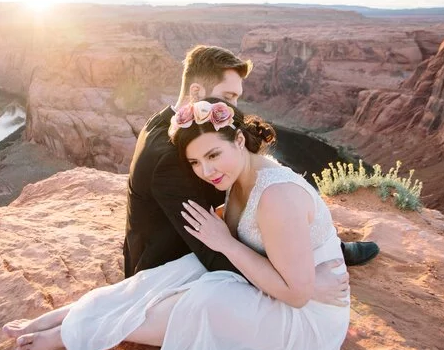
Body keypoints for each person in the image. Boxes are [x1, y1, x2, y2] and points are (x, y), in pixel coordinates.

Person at [4, 100, 350, 350]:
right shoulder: (239, 174)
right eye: (195, 162)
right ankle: (68, 316)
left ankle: (71, 334)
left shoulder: (277, 196)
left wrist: (226, 243)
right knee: (179, 271)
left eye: (213, 155)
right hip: (290, 285)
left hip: (304, 319)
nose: (206, 171)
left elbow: (298, 293)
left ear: (240, 141)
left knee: (208, 300)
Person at [123, 45, 378, 279]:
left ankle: (322, 243)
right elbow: (210, 253)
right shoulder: (169, 156)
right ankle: (320, 251)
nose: (234, 108)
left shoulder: (164, 120)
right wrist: (299, 282)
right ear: (196, 93)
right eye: (228, 96)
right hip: (168, 264)